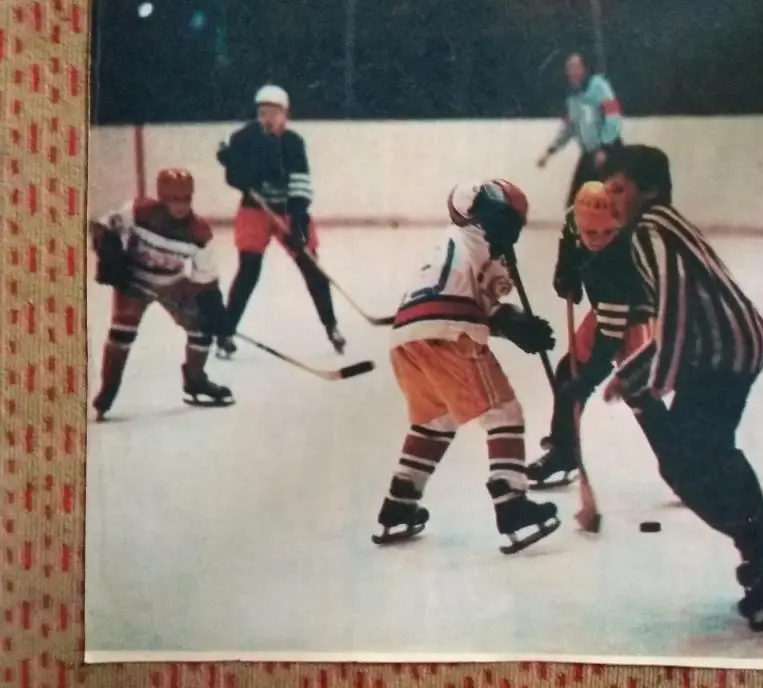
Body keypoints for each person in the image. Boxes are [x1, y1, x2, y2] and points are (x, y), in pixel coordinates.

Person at [597, 147, 763, 633]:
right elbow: (680, 312)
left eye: (619, 190)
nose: (612, 202)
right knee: (703, 461)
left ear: (649, 190)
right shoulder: (663, 222)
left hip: (720, 353)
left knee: (690, 466)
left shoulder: (649, 228)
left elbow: (675, 302)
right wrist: (638, 372)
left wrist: (654, 375)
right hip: (727, 348)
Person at [373, 179, 561, 555]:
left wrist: (513, 322)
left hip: (406, 337)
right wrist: (514, 321)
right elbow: (482, 303)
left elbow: (476, 298)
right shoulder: (484, 241)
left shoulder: (455, 240)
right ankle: (512, 505)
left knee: (434, 420)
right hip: (449, 332)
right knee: (503, 412)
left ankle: (399, 503)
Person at [525, 180, 657, 490]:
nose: (597, 239)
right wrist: (566, 271)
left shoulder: (619, 255)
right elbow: (569, 238)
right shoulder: (576, 220)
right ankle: (564, 451)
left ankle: (685, 464)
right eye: (590, 233)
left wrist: (588, 378)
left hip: (635, 313)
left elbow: (610, 335)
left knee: (639, 393)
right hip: (604, 310)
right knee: (566, 372)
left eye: (606, 233)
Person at [90, 168, 234, 421]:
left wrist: (213, 309)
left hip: (173, 282)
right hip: (133, 280)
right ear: (161, 197)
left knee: (201, 327)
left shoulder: (200, 232)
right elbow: (102, 226)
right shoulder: (137, 211)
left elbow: (206, 279)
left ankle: (196, 381)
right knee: (121, 333)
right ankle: (108, 390)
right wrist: (109, 252)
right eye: (174, 200)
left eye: (186, 199)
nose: (181, 207)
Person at [214, 84, 346, 359]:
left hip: (288, 209)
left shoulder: (293, 142)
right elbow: (237, 180)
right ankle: (226, 332)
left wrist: (297, 225)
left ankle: (331, 326)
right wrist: (232, 164)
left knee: (311, 267)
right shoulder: (244, 138)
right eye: (263, 113)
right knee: (249, 269)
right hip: (255, 210)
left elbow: (300, 186)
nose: (268, 118)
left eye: (274, 113)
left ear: (286, 114)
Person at [537, 53, 625, 208]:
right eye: (569, 67)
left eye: (576, 67)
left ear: (585, 69)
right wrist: (550, 151)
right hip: (590, 153)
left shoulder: (599, 86)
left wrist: (605, 147)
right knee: (575, 204)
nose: (572, 71)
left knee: (614, 201)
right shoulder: (572, 96)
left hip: (609, 150)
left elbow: (613, 116)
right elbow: (569, 128)